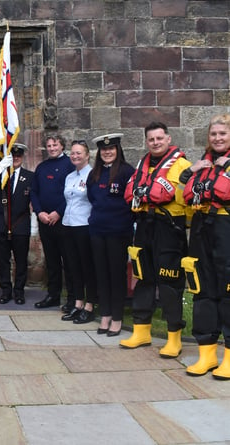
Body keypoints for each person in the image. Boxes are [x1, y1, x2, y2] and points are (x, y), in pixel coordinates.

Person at [121, 122, 190, 358]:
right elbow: (129, 193)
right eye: (151, 139)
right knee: (143, 278)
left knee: (169, 283)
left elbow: (177, 196)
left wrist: (150, 194)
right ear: (146, 141)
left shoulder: (182, 165)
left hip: (169, 228)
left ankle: (174, 337)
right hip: (144, 227)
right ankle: (142, 330)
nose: (155, 142)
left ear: (168, 139)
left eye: (160, 138)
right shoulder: (142, 165)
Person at [179, 113, 230, 378]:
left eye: (223, 133)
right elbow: (183, 187)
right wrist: (193, 170)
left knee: (228, 290)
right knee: (202, 289)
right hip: (200, 229)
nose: (218, 138)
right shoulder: (203, 163)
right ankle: (207, 354)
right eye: (214, 134)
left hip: (225, 229)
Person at [87, 134, 135, 336]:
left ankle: (117, 317)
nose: (107, 152)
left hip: (118, 232)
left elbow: (132, 200)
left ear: (118, 149)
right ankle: (105, 314)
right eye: (104, 150)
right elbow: (92, 198)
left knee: (116, 275)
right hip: (98, 230)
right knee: (102, 274)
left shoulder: (126, 171)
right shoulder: (94, 174)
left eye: (111, 149)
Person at [0, 143, 33, 305]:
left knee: (21, 260)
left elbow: (35, 198)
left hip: (20, 223)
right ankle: (6, 290)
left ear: (23, 157)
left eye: (18, 156)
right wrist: (1, 165)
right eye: (12, 156)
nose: (15, 158)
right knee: (2, 260)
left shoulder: (30, 176)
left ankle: (19, 291)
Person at [31, 135, 75, 310]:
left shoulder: (70, 165)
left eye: (55, 145)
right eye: (49, 146)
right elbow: (34, 192)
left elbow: (72, 193)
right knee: (51, 260)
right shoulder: (42, 167)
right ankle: (53, 295)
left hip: (63, 221)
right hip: (44, 220)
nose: (51, 148)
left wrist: (58, 212)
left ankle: (72, 298)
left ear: (62, 146)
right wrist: (39, 211)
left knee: (69, 261)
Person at [60, 140, 97, 324]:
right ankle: (78, 303)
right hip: (68, 224)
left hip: (84, 225)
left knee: (86, 267)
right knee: (73, 266)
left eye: (79, 153)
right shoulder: (69, 177)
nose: (75, 156)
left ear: (87, 155)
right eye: (72, 153)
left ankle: (90, 305)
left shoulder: (92, 175)